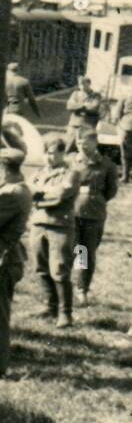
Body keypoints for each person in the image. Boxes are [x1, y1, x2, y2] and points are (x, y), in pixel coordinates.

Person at [0, 148, 32, 378]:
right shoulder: (15, 190)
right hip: (1, 257)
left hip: (0, 260)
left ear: (3, 169)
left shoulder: (12, 194)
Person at [28, 134, 81, 328]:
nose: (48, 158)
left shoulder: (71, 173)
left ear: (62, 153)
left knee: (59, 270)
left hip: (60, 226)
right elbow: (28, 190)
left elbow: (60, 196)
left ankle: (65, 313)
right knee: (40, 267)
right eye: (46, 154)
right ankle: (49, 306)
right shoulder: (40, 172)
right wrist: (40, 193)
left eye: (52, 154)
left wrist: (39, 195)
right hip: (38, 224)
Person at [68, 130, 120, 307]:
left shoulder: (106, 165)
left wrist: (94, 199)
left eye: (86, 141)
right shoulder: (71, 162)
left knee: (87, 251)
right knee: (72, 249)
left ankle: (82, 289)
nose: (82, 144)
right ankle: (65, 288)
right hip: (71, 213)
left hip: (93, 215)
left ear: (95, 143)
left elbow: (111, 191)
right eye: (79, 141)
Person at [64, 78, 102, 150]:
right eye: (80, 84)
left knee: (85, 148)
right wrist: (83, 105)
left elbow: (93, 107)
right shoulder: (75, 94)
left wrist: (77, 106)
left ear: (89, 84)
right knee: (68, 146)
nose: (82, 86)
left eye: (84, 83)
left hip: (88, 124)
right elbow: (69, 106)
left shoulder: (96, 95)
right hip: (74, 124)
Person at [113, 88, 132, 183]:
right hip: (127, 126)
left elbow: (116, 115)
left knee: (125, 154)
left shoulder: (125, 96)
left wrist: (119, 123)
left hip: (127, 127)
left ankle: (125, 176)